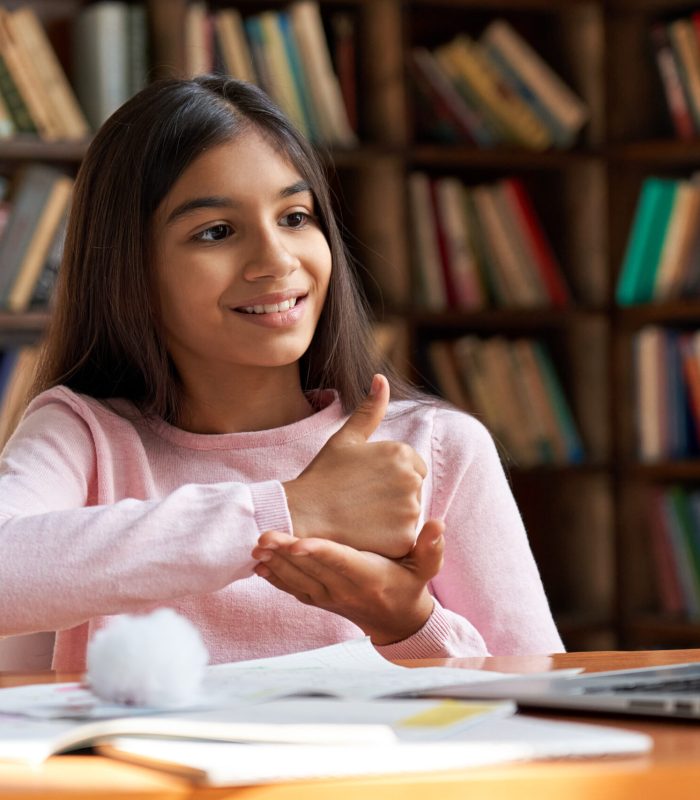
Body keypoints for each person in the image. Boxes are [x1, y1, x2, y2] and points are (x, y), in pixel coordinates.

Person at [0, 76, 563, 672]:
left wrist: (410, 626)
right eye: (216, 232)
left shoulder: (437, 448)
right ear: (128, 268)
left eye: (295, 217)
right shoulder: (85, 436)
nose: (276, 260)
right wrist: (292, 509)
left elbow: (541, 697)